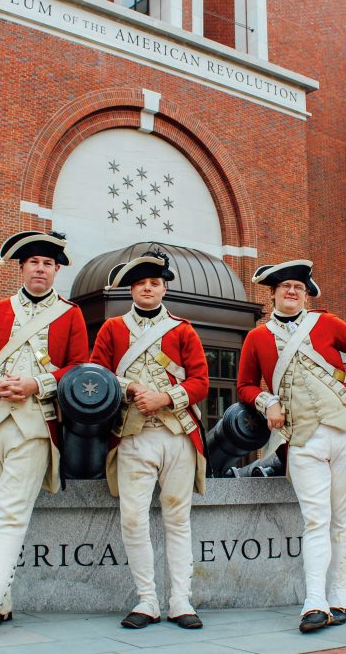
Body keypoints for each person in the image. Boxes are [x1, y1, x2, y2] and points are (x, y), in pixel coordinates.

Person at [236, 260, 346, 633]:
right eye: (284, 287)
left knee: (342, 518)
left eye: (298, 288)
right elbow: (245, 385)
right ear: (272, 295)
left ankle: (340, 594)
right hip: (302, 438)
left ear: (306, 294)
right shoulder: (257, 337)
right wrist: (267, 402)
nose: (291, 292)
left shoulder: (327, 323)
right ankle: (314, 601)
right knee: (316, 519)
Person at [0, 231, 89, 636]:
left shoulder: (70, 314)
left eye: (48, 264)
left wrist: (38, 384)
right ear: (22, 268)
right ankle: (2, 601)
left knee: (12, 513)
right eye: (33, 262)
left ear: (56, 272)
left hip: (34, 423)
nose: (40, 268)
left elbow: (79, 366)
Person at [90, 249, 209, 630]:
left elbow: (200, 382)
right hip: (132, 435)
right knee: (133, 520)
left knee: (178, 519)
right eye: (141, 283)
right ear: (132, 290)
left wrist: (166, 397)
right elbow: (97, 375)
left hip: (176, 436)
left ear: (163, 289)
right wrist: (131, 388)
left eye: (154, 283)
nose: (147, 289)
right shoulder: (111, 329)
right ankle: (146, 600)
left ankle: (180, 600)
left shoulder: (183, 329)